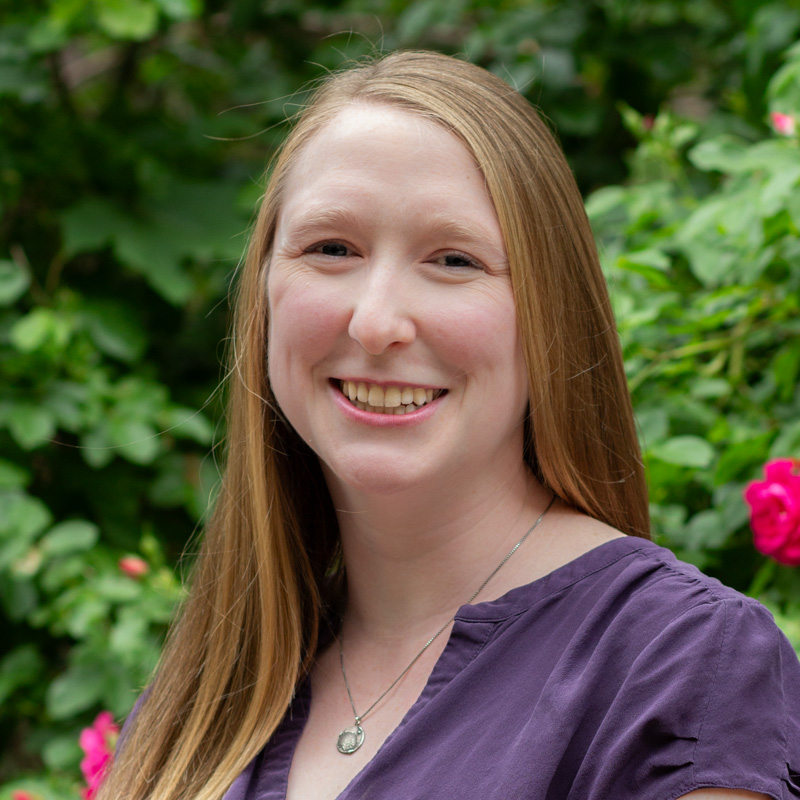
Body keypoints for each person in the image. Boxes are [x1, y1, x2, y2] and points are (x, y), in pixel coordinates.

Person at [98, 51, 800, 800]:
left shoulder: (680, 671)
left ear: (550, 315)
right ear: (265, 289)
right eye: (332, 248)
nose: (375, 323)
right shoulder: (202, 703)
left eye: (454, 260)